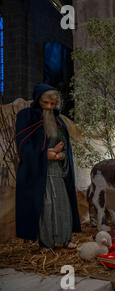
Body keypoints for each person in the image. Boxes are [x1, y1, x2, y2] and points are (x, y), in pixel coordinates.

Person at [15, 83, 81, 248]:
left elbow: (65, 146)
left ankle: (64, 239)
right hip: (39, 172)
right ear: (38, 100)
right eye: (46, 103)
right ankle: (47, 241)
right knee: (46, 205)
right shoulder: (27, 116)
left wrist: (61, 155)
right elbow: (24, 145)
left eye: (53, 104)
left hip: (57, 171)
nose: (49, 107)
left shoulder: (58, 121)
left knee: (62, 203)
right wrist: (45, 154)